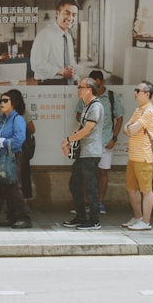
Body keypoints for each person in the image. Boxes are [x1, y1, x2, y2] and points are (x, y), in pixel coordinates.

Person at [74, 70, 122, 215]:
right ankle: (86, 202)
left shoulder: (111, 97)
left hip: (106, 141)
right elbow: (78, 114)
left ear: (103, 82)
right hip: (89, 142)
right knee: (86, 173)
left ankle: (100, 202)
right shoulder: (85, 98)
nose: (96, 88)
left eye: (98, 85)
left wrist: (114, 138)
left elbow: (119, 118)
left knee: (102, 172)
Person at [62, 77, 104, 230]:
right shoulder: (86, 105)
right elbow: (79, 126)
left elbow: (87, 130)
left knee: (90, 187)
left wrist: (67, 139)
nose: (78, 89)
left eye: (81, 87)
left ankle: (94, 220)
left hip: (91, 152)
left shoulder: (96, 106)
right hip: (83, 153)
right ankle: (80, 216)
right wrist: (69, 143)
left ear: (89, 90)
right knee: (74, 184)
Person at [0, 89, 31, 228]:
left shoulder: (17, 118)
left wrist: (4, 142)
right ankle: (11, 217)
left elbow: (19, 139)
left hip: (14, 156)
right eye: (1, 100)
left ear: (13, 103)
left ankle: (23, 217)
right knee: (6, 187)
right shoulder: (3, 119)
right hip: (4, 156)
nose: (2, 103)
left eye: (5, 100)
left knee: (14, 187)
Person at [122, 80, 153, 231]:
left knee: (146, 190)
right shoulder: (139, 110)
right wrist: (131, 128)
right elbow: (126, 128)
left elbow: (132, 129)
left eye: (138, 90)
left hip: (143, 156)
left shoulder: (149, 111)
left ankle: (145, 221)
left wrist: (131, 128)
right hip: (133, 155)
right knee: (131, 188)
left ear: (147, 94)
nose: (135, 93)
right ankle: (137, 217)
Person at [30, 0, 78, 85]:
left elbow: (71, 61)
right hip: (50, 84)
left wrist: (77, 79)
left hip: (69, 82)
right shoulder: (45, 35)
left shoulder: (68, 37)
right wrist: (61, 72)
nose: (71, 18)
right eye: (67, 13)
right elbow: (36, 65)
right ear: (57, 13)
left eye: (74, 15)